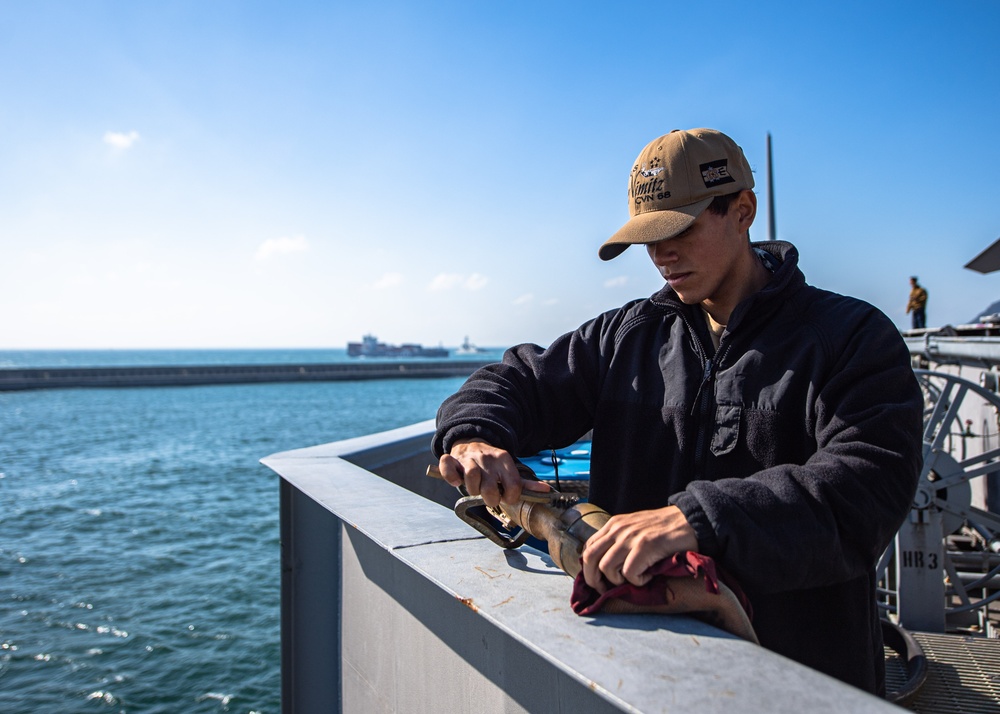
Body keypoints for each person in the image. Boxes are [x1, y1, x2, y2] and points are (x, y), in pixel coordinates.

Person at [432, 128, 923, 696]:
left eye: (680, 229)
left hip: (802, 681)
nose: (661, 255)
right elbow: (520, 380)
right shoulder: (626, 336)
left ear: (743, 210)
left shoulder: (852, 338)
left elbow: (866, 486)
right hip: (641, 673)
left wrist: (698, 519)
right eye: (648, 239)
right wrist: (472, 435)